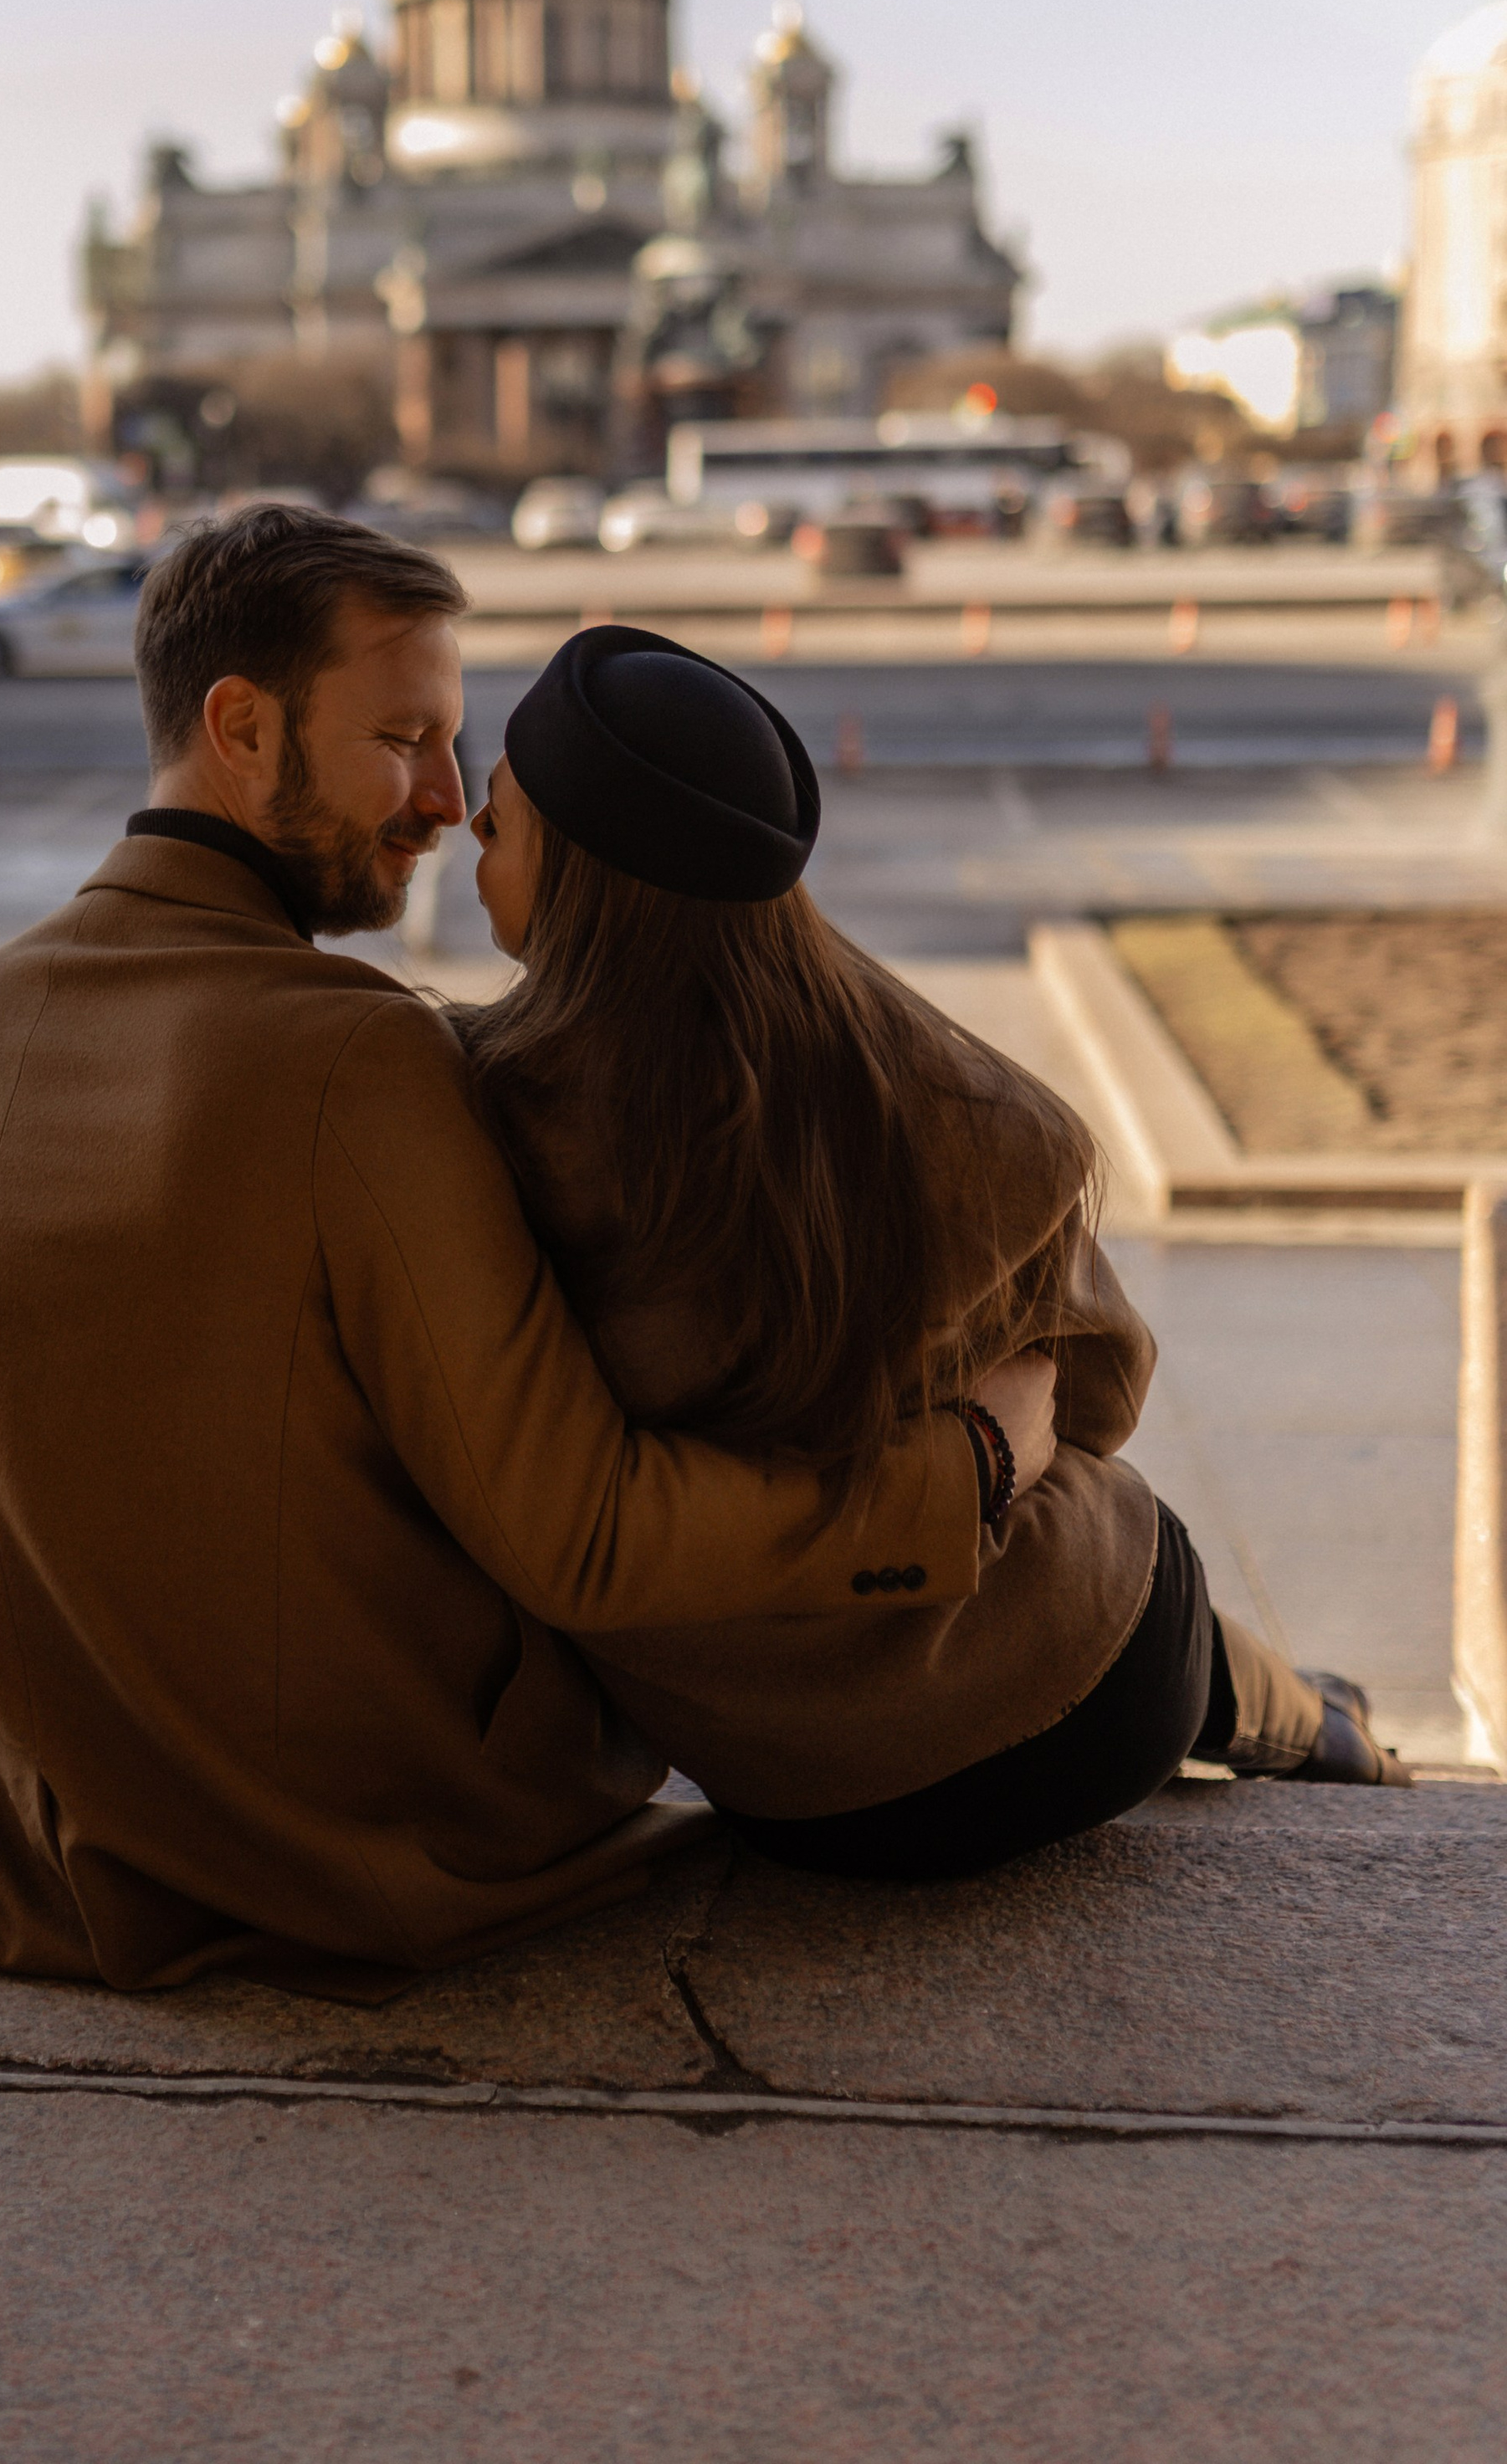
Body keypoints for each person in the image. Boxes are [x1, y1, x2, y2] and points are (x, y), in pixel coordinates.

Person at [0, 510, 1012, 1998]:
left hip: (1, 1822)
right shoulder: (356, 1059)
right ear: (240, 727)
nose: (448, 804)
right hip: (325, 1841)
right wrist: (969, 1471)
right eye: (404, 742)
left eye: (452, 743)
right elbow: (584, 1536)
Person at [460, 622, 1410, 1883]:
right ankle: (1327, 1729)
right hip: (1086, 1706)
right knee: (1122, 1547)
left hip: (792, 1790)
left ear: (584, 881)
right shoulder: (945, 1100)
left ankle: (1314, 1712)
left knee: (1117, 1565)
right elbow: (1100, 1404)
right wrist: (966, 1440)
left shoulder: (475, 1121)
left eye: (497, 819)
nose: (466, 832)